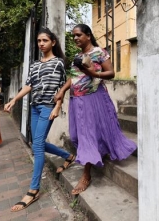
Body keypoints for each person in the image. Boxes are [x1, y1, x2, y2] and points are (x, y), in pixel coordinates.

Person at [55, 24, 137, 195]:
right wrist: (62, 90)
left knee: (87, 136)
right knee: (78, 135)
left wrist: (94, 74)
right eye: (73, 36)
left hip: (94, 98)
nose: (76, 38)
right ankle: (94, 155)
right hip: (77, 100)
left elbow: (111, 73)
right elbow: (74, 77)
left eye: (78, 35)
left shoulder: (100, 53)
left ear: (88, 35)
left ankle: (86, 175)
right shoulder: (78, 56)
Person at [4, 27, 76, 212]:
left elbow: (62, 87)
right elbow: (29, 85)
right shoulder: (35, 65)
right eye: (39, 41)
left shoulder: (59, 62)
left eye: (45, 40)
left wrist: (58, 106)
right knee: (37, 142)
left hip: (48, 107)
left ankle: (34, 189)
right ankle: (68, 156)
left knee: (37, 145)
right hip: (35, 107)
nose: (41, 44)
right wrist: (13, 100)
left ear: (53, 42)